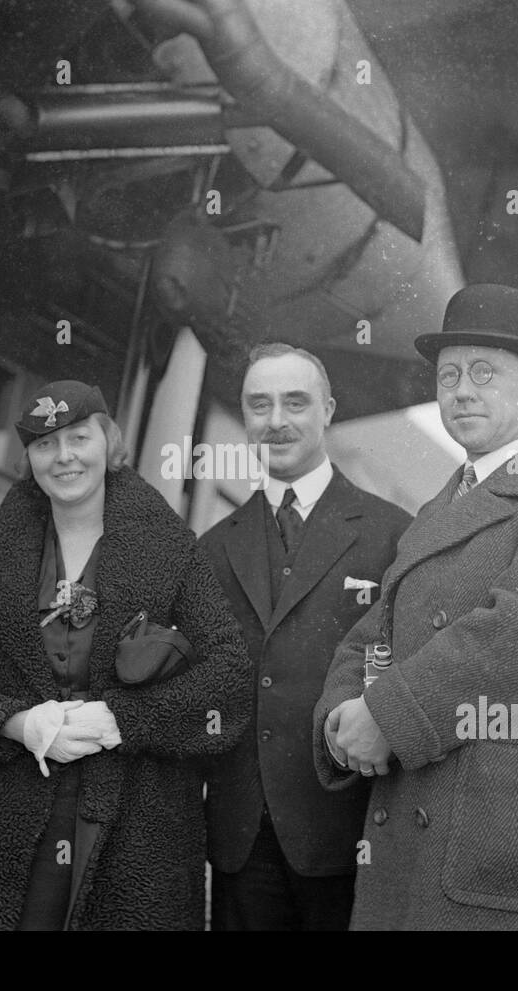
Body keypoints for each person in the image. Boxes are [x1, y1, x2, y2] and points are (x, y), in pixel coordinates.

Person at [314, 283, 518, 930]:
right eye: (449, 374)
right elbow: (368, 636)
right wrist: (341, 721)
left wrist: (388, 715)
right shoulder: (433, 515)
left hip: (503, 862)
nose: (461, 390)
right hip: (419, 849)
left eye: (484, 373)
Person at [0, 380, 251, 930]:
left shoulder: (170, 548)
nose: (64, 456)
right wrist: (17, 722)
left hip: (135, 823)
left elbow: (230, 676)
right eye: (46, 444)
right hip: (6, 817)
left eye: (78, 437)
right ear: (29, 457)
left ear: (109, 442)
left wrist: (122, 719)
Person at [199, 344, 412, 930]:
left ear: (329, 410)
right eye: (259, 404)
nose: (277, 420)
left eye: (296, 402)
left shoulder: (392, 533)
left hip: (348, 824)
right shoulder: (213, 547)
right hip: (242, 834)